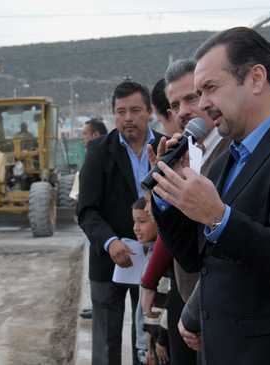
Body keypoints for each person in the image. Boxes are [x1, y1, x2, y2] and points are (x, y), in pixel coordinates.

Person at [149, 26, 270, 364]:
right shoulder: (226, 162)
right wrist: (170, 193)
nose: (204, 104)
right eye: (198, 93)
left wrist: (218, 217)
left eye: (210, 88)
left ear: (255, 79)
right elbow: (197, 259)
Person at [142, 58, 232, 365]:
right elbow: (185, 247)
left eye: (191, 98)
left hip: (223, 308)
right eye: (175, 104)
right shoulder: (192, 152)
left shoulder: (234, 151)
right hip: (191, 298)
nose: (182, 112)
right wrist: (165, 191)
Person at [78, 81, 165, 365]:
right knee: (105, 344)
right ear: (113, 114)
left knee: (150, 339)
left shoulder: (167, 147)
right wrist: (109, 242)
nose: (128, 117)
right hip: (109, 262)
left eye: (136, 110)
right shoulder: (99, 149)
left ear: (150, 111)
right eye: (121, 111)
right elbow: (87, 209)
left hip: (157, 262)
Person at [133, 194, 170, 365]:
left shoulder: (160, 260)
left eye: (142, 221)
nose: (135, 228)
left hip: (155, 340)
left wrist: (153, 344)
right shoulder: (149, 253)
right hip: (147, 340)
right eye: (134, 222)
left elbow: (159, 307)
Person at [77, 117, 108, 320]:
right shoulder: (94, 153)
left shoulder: (100, 154)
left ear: (95, 135)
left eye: (85, 134)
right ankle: (95, 306)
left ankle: (98, 307)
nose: (82, 138)